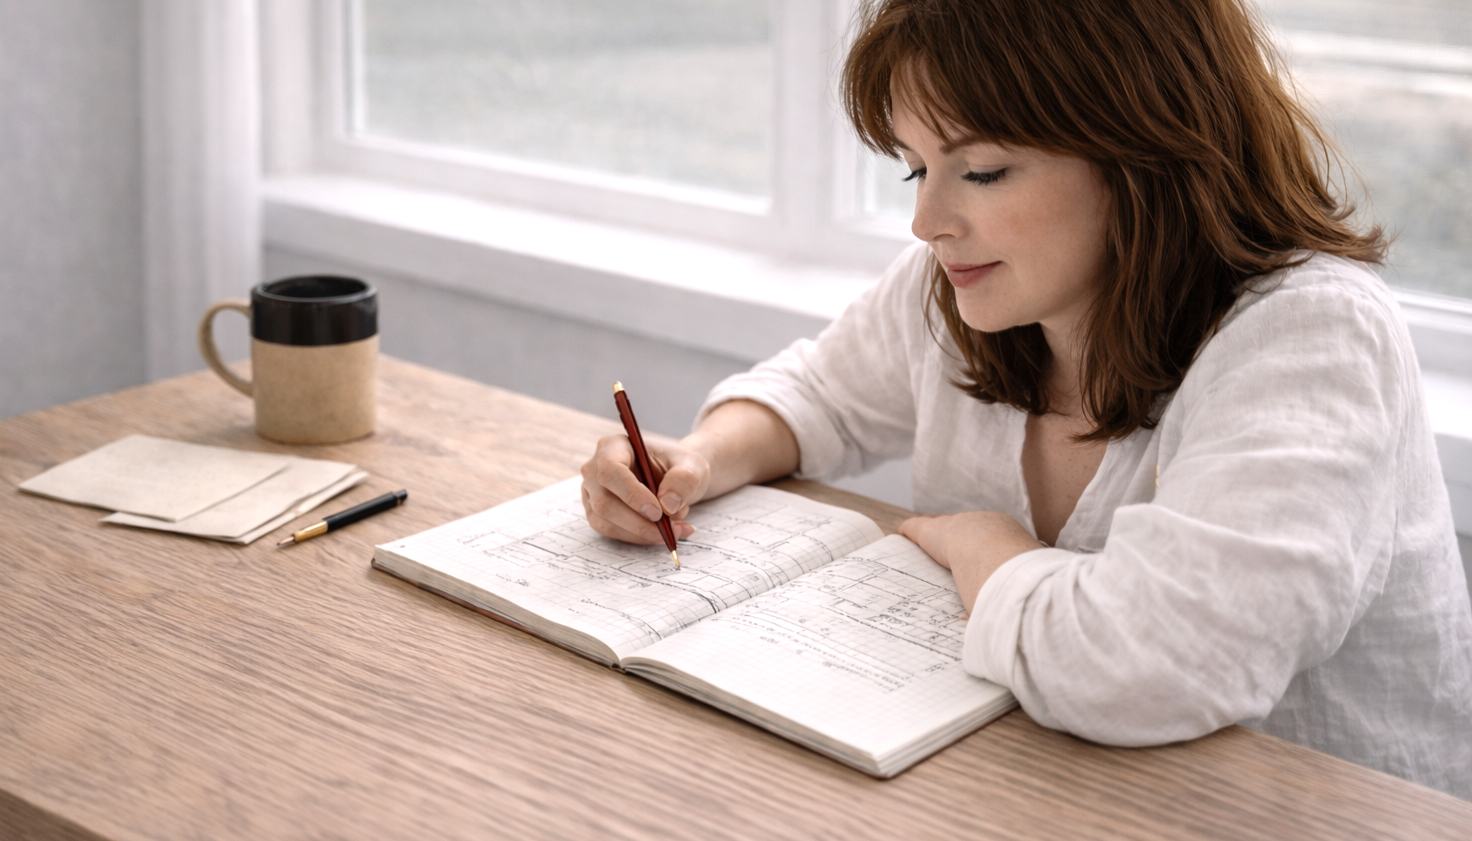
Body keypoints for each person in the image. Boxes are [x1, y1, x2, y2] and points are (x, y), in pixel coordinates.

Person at [579, 0, 1472, 798]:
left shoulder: (1313, 337)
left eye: (983, 172)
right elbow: (818, 394)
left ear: (1144, 148)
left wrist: (987, 548)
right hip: (1034, 789)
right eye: (914, 169)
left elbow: (1152, 663)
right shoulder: (965, 287)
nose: (927, 221)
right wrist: (699, 456)